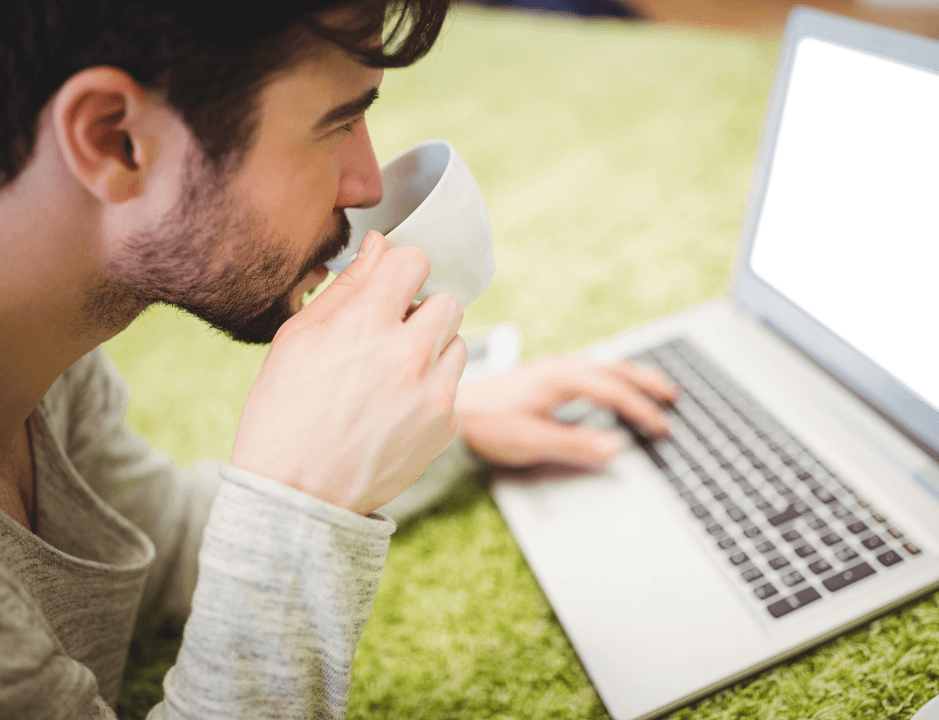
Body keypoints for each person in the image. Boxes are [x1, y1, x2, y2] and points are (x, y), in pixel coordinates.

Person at [0, 0, 679, 717]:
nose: (367, 184)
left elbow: (155, 541)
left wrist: (455, 427)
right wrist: (304, 507)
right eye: (336, 124)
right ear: (115, 139)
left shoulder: (49, 359)